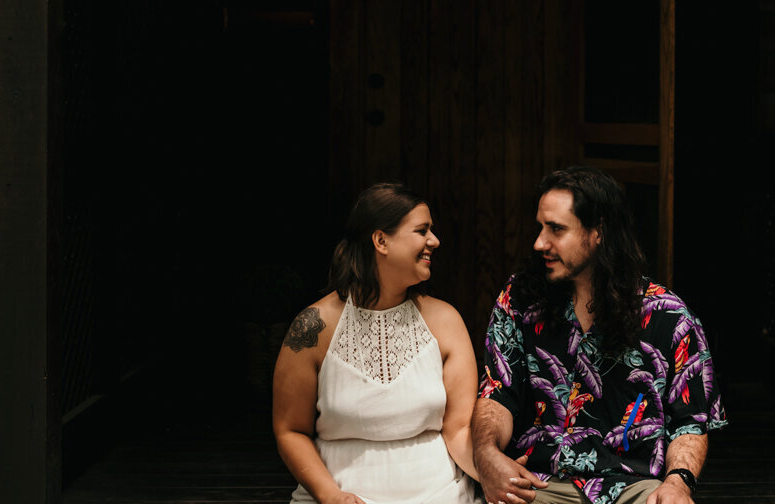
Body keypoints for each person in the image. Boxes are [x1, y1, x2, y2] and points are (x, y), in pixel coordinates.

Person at [472, 166, 727, 504]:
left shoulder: (669, 317)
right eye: (540, 226)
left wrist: (678, 482)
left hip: (632, 487)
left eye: (556, 229)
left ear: (598, 233)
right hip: (537, 484)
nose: (539, 242)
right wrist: (486, 453)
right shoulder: (519, 300)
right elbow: (497, 393)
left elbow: (689, 423)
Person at [272, 182, 483, 504]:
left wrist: (494, 474)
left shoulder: (446, 321)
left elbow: (458, 431)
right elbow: (290, 430)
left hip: (439, 493)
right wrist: (331, 496)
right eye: (422, 230)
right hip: (338, 493)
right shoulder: (312, 327)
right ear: (381, 240)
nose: (434, 241)